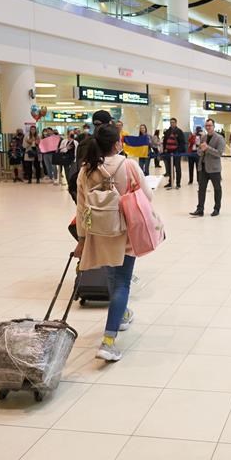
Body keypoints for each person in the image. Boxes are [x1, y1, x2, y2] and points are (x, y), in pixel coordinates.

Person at [74, 123, 150, 362]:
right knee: (122, 283)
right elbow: (147, 196)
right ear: (117, 143)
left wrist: (82, 240)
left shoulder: (86, 169)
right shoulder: (128, 166)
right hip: (124, 232)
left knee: (110, 277)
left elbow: (81, 207)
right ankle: (108, 341)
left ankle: (123, 313)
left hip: (98, 233)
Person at [190, 118, 225, 217]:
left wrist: (207, 148)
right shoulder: (203, 137)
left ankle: (216, 209)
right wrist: (200, 150)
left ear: (214, 126)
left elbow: (219, 153)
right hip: (203, 167)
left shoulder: (219, 138)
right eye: (207, 126)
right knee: (201, 189)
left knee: (217, 189)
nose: (208, 127)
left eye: (210, 125)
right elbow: (200, 151)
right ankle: (200, 209)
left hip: (214, 168)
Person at [162, 118, 186, 189]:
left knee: (177, 168)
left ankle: (178, 183)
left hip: (176, 153)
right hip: (169, 153)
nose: (172, 123)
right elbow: (165, 142)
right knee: (170, 168)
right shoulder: (167, 132)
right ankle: (170, 182)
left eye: (173, 122)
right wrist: (165, 150)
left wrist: (179, 151)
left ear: (176, 123)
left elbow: (182, 142)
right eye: (171, 122)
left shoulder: (179, 132)